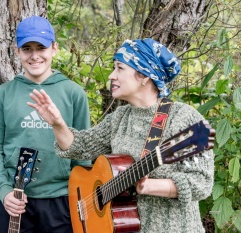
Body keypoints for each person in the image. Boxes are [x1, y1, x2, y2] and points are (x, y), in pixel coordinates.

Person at [28, 38, 214, 233]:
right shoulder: (120, 118)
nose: (111, 75)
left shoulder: (185, 119)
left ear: (144, 76)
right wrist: (57, 123)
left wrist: (149, 186)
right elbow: (79, 146)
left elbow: (202, 183)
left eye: (119, 68)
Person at [0, 16, 91, 233]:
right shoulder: (4, 95)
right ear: (17, 51)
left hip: (61, 201)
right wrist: (4, 191)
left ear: (54, 49)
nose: (34, 55)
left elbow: (83, 153)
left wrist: (79, 196)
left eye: (41, 47)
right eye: (27, 48)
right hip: (15, 200)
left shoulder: (73, 93)